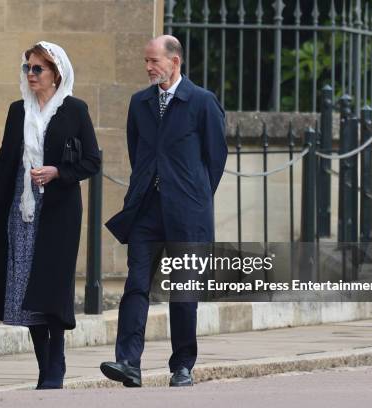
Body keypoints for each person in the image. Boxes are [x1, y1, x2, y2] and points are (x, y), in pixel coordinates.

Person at [0, 41, 101, 390]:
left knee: (52, 288)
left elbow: (91, 160)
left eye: (38, 69)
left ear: (55, 74)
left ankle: (57, 361)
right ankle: (44, 366)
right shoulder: (18, 110)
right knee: (25, 290)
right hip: (22, 210)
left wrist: (57, 172)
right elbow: (4, 162)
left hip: (59, 211)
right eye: (27, 68)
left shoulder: (75, 110)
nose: (31, 74)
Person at [101, 35, 227, 387]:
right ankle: (128, 362)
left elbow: (215, 159)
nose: (148, 67)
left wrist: (193, 195)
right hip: (146, 210)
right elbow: (136, 149)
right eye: (146, 61)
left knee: (184, 291)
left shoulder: (202, 101)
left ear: (175, 61)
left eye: (153, 61)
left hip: (187, 212)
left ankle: (182, 365)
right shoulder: (139, 102)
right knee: (136, 284)